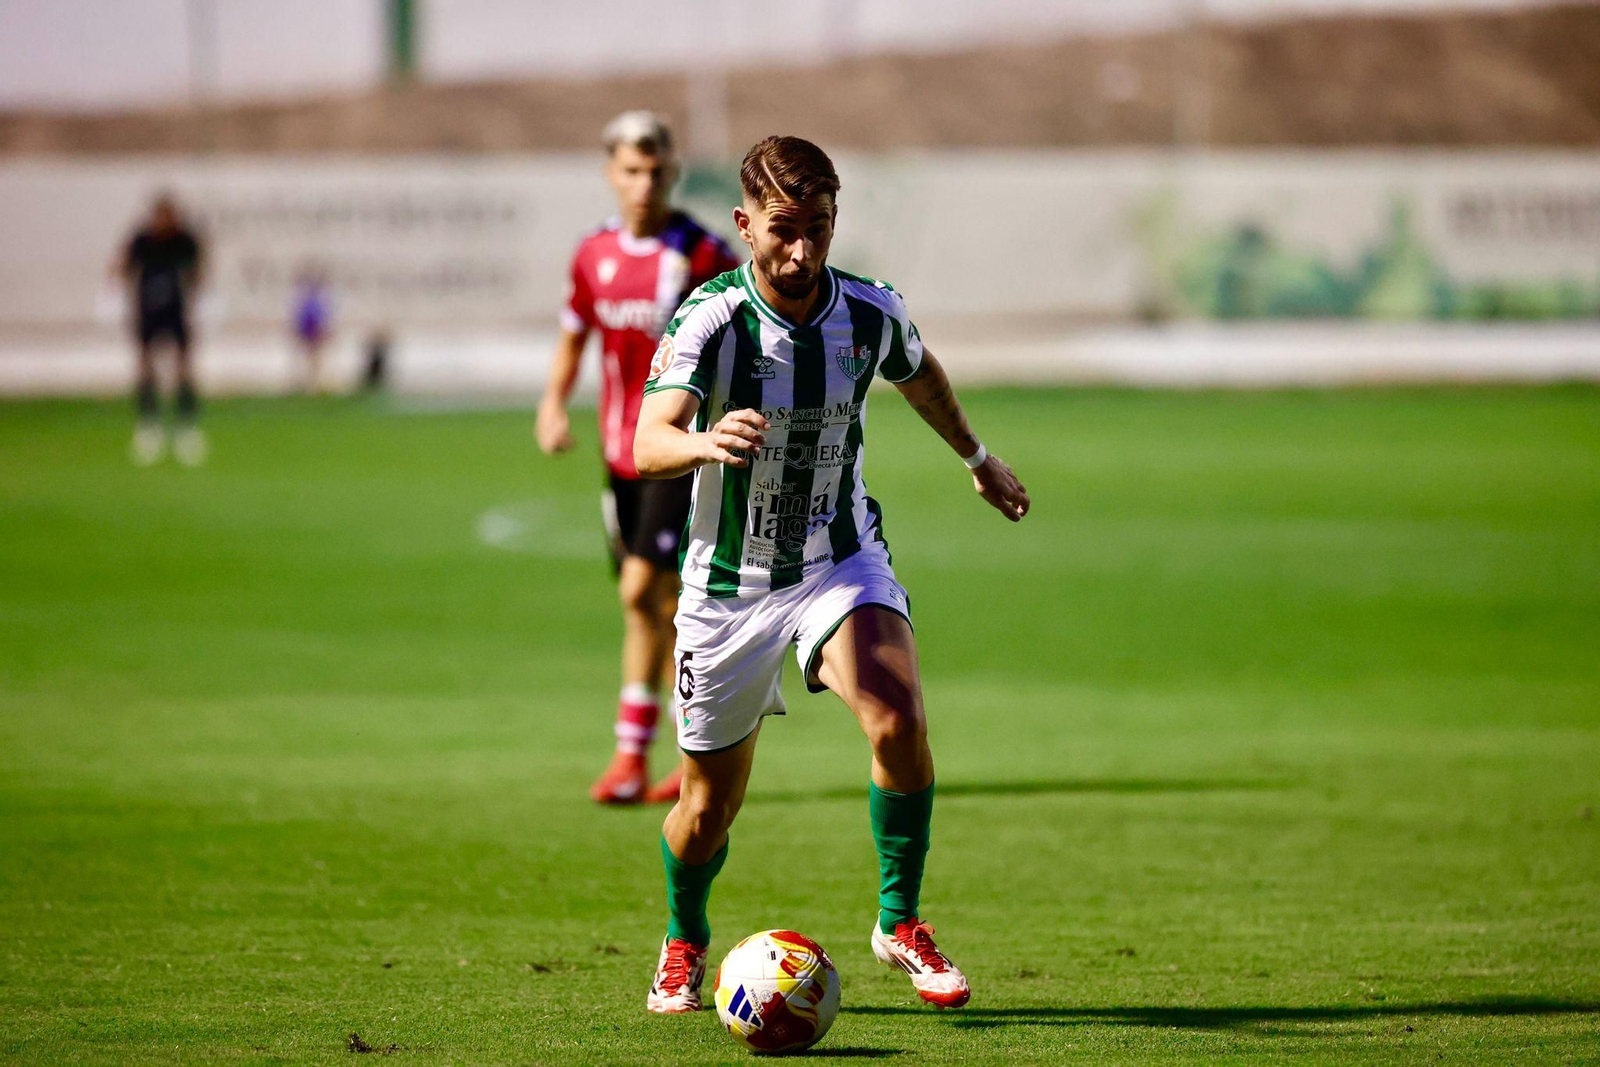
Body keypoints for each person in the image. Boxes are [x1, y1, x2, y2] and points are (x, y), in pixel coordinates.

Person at [633, 136, 1030, 1014]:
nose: (803, 251)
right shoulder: (711, 318)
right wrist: (705, 439)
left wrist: (976, 454)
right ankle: (684, 937)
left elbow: (918, 373)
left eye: (818, 228)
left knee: (897, 718)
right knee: (706, 812)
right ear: (745, 225)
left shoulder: (870, 310)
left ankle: (899, 921)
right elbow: (645, 439)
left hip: (836, 558)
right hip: (727, 591)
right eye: (783, 231)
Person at [536, 112, 741, 805]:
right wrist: (553, 403)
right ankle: (635, 755)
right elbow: (573, 336)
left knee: (646, 591)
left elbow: (747, 333)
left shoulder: (703, 254)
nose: (645, 183)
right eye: (631, 170)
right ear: (610, 174)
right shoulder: (592, 255)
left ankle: (691, 753)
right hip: (617, 454)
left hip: (674, 452)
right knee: (649, 607)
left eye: (656, 170)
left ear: (673, 172)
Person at [117, 193, 207, 466]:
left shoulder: (184, 240)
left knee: (183, 366)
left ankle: (185, 424)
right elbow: (124, 267)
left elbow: (198, 269)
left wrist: (196, 289)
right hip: (148, 310)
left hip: (175, 310)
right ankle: (149, 423)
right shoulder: (143, 240)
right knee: (145, 365)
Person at [291, 264, 334, 393]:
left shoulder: (313, 301)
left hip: (312, 334)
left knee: (313, 361)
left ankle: (311, 384)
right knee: (311, 360)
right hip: (310, 334)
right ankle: (309, 384)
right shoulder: (311, 301)